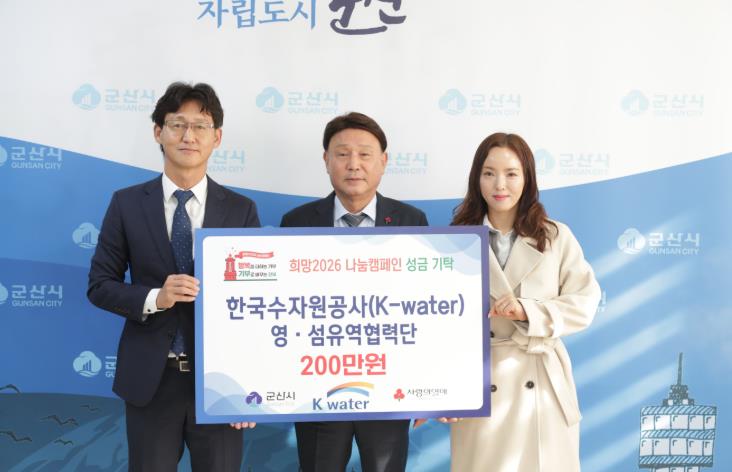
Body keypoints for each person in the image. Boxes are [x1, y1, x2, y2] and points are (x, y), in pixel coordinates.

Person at [87, 82, 259, 471]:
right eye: (177, 124)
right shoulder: (127, 203)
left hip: (219, 384)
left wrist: (248, 384)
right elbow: (100, 285)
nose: (188, 136)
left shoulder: (241, 209)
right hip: (152, 379)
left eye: (200, 126)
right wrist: (155, 298)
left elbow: (255, 305)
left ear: (217, 138)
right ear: (158, 132)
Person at [280, 112, 428, 472]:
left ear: (384, 161)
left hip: (388, 382)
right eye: (342, 154)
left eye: (364, 154)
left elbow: (426, 310)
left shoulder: (411, 222)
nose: (353, 164)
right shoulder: (297, 223)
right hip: (316, 384)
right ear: (326, 160)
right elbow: (281, 307)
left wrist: (428, 388)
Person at [448, 132, 600, 471]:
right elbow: (438, 324)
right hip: (479, 385)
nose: (500, 184)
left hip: (540, 385)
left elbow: (585, 301)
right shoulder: (455, 241)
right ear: (476, 178)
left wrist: (529, 312)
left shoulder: (555, 236)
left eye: (511, 173)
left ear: (527, 178)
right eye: (489, 173)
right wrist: (442, 390)